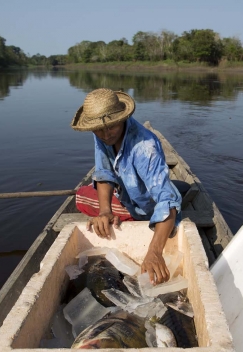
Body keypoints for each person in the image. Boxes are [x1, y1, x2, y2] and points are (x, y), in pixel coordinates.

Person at [70, 88, 182, 285]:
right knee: (88, 196)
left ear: (122, 118)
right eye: (98, 129)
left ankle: (135, 217)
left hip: (147, 208)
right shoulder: (102, 133)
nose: (105, 134)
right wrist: (105, 211)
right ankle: (116, 211)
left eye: (111, 127)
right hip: (125, 195)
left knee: (81, 197)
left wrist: (154, 252)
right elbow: (104, 171)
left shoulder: (144, 148)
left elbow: (167, 201)